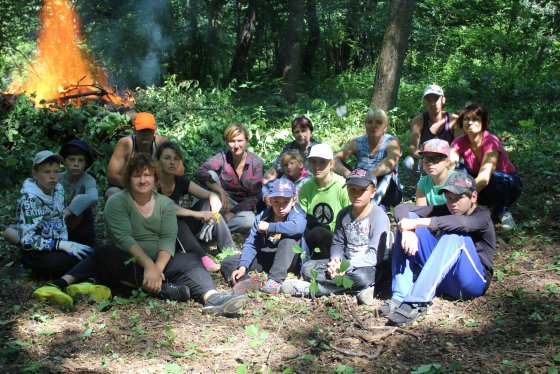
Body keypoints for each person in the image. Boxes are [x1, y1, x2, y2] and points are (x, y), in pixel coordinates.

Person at [94, 154, 247, 316]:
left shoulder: (165, 203)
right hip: (129, 261)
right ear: (128, 178)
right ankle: (162, 289)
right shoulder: (116, 201)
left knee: (191, 260)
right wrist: (149, 266)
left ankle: (214, 298)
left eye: (147, 175)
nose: (142, 180)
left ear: (155, 179)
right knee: (104, 254)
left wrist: (156, 269)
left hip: (160, 262)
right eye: (136, 175)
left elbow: (168, 238)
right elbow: (124, 238)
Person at [380, 172, 496, 325]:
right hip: (444, 280)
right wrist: (407, 229)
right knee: (410, 220)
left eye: (459, 198)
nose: (453, 203)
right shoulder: (446, 210)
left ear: (473, 197)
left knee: (455, 235)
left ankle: (417, 301)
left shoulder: (483, 216)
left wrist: (419, 224)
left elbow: (463, 224)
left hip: (471, 283)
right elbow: (402, 208)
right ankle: (400, 295)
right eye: (449, 198)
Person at [3, 150, 107, 310]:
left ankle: (79, 284)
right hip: (38, 255)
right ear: (35, 174)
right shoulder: (30, 199)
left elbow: (58, 219)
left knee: (92, 253)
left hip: (58, 247)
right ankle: (72, 285)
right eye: (46, 172)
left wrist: (65, 243)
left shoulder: (58, 189)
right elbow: (27, 240)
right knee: (89, 258)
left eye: (56, 171)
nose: (52, 176)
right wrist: (60, 245)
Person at [281, 169, 390, 305]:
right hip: (345, 262)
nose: (356, 194)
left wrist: (346, 266)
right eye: (352, 190)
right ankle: (357, 291)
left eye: (362, 190)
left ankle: (312, 289)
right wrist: (335, 261)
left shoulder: (378, 216)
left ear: (373, 192)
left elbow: (374, 256)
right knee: (308, 267)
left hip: (368, 267)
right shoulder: (343, 214)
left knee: (363, 278)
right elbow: (337, 243)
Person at [156, 141, 235, 272]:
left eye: (176, 159)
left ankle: (230, 251)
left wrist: (214, 212)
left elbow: (211, 195)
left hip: (181, 226)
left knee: (206, 204)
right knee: (176, 223)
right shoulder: (152, 181)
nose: (172, 162)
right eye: (167, 158)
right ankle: (202, 258)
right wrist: (197, 214)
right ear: (158, 161)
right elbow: (167, 208)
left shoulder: (180, 181)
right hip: (161, 232)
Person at [220, 178, 306, 294]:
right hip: (267, 256)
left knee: (290, 237)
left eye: (285, 202)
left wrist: (270, 227)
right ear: (270, 200)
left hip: (288, 259)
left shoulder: (297, 212)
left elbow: (298, 228)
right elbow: (252, 243)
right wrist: (243, 266)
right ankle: (245, 282)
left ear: (293, 200)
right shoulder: (262, 216)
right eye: (276, 202)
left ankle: (275, 280)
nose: (281, 206)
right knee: (228, 261)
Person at [450, 103, 522, 229]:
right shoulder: (459, 142)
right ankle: (472, 209)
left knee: (495, 177)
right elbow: (449, 165)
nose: (470, 123)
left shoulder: (491, 141)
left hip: (507, 185)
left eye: (475, 119)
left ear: (483, 122)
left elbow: (484, 178)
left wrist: (462, 196)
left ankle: (503, 213)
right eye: (466, 119)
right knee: (458, 170)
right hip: (483, 189)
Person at [194, 123, 264, 233]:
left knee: (250, 221)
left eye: (240, 141)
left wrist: (231, 214)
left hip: (239, 207)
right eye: (232, 141)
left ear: (246, 141)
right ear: (227, 143)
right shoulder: (222, 157)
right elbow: (199, 172)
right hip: (220, 201)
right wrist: (220, 191)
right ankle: (203, 219)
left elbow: (253, 197)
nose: (236, 146)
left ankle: (214, 229)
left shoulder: (256, 162)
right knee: (210, 174)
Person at [104, 112, 183, 200]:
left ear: (155, 130)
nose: (146, 134)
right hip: (125, 187)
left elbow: (179, 170)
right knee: (113, 193)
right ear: (134, 130)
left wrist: (159, 182)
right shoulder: (126, 144)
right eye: (142, 130)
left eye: (149, 130)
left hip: (153, 187)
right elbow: (111, 176)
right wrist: (137, 186)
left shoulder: (160, 143)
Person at [334, 108, 402, 209]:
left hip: (388, 191)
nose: (373, 125)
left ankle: (371, 207)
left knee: (388, 172)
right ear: (365, 125)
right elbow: (334, 159)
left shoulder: (391, 142)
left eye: (378, 122)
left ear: (385, 127)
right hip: (360, 186)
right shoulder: (358, 142)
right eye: (369, 122)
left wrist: (366, 176)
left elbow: (390, 162)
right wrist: (349, 175)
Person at [299, 143, 350, 259]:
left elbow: (348, 220)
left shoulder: (342, 186)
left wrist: (325, 227)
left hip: (337, 237)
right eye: (313, 161)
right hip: (312, 236)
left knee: (318, 233)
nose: (317, 166)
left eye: (322, 162)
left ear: (331, 164)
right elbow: (300, 217)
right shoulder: (306, 187)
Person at [402, 84, 462, 184]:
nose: (433, 103)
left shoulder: (453, 120)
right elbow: (413, 146)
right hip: (427, 159)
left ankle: (448, 188)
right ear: (424, 102)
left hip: (448, 159)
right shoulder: (419, 120)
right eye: (428, 100)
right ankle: (422, 187)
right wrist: (423, 156)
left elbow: (459, 145)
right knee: (408, 162)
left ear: (443, 100)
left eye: (436, 99)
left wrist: (446, 159)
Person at [59, 139, 98, 247]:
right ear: (64, 161)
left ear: (85, 163)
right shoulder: (57, 179)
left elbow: (93, 196)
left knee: (80, 199)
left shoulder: (88, 180)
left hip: (81, 229)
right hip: (56, 224)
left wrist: (68, 211)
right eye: (72, 160)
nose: (76, 164)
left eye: (80, 160)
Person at [263, 115, 320, 184]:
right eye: (297, 132)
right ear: (293, 134)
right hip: (288, 184)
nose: (300, 134)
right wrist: (265, 181)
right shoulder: (289, 147)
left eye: (303, 131)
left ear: (310, 132)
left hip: (312, 184)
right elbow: (276, 168)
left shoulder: (318, 148)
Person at [415, 139, 455, 206]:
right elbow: (420, 211)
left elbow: (459, 212)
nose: (430, 163)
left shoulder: (457, 180)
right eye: (426, 158)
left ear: (448, 162)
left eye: (436, 158)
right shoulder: (423, 183)